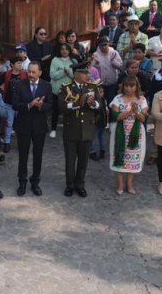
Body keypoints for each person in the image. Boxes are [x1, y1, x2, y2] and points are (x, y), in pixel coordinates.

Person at [59, 62, 101, 197]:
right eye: (84, 73)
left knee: (83, 160)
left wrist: (92, 103)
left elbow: (99, 106)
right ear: (76, 74)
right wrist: (78, 103)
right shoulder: (66, 88)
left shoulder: (93, 87)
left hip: (87, 129)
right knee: (70, 160)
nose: (87, 75)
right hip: (71, 129)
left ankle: (80, 184)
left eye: (87, 72)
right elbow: (62, 107)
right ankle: (69, 185)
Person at [12, 61, 53, 196]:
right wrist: (29, 105)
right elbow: (15, 104)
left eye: (33, 72)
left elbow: (51, 104)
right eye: (29, 71)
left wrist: (41, 106)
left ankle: (35, 182)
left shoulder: (46, 86)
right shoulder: (19, 84)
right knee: (23, 155)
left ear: (40, 73)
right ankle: (22, 181)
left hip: (39, 126)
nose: (30, 74)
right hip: (23, 125)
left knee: (38, 155)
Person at [109, 76, 148, 194]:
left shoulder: (142, 100)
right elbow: (117, 117)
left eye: (131, 86)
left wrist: (136, 111)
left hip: (136, 134)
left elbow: (142, 119)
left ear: (136, 87)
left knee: (131, 161)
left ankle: (129, 185)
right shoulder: (117, 99)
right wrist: (130, 111)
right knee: (120, 156)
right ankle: (120, 185)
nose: (128, 88)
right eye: (126, 86)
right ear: (123, 86)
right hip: (120, 133)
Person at [0, 56, 27, 152]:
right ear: (12, 64)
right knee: (9, 123)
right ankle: (7, 143)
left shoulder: (24, 74)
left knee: (21, 124)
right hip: (8, 103)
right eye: (18, 63)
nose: (20, 65)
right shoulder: (7, 74)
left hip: (21, 104)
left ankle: (22, 143)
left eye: (21, 63)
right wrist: (2, 90)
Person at [49, 43, 74, 138]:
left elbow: (74, 76)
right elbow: (52, 75)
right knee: (55, 110)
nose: (64, 51)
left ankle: (69, 129)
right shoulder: (55, 60)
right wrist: (63, 71)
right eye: (62, 49)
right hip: (56, 90)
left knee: (69, 110)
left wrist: (69, 72)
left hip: (69, 91)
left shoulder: (73, 60)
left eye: (66, 49)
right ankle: (53, 129)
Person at [91, 36, 123, 105]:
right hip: (100, 85)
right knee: (100, 104)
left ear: (108, 44)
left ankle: (111, 116)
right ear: (99, 46)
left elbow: (120, 66)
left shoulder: (114, 53)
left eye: (105, 45)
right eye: (102, 45)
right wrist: (96, 63)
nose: (104, 47)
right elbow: (92, 69)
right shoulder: (95, 55)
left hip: (112, 84)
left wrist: (113, 61)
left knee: (111, 103)